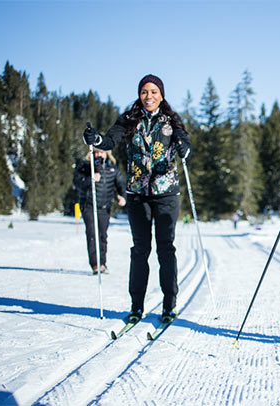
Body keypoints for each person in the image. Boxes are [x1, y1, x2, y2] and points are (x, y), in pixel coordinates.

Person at [82, 74, 192, 323]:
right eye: (144, 91)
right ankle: (136, 306)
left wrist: (185, 149)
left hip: (166, 194)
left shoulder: (170, 120)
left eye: (153, 91)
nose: (149, 96)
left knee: (166, 249)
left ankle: (169, 305)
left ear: (161, 94)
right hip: (137, 194)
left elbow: (184, 141)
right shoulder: (130, 118)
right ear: (139, 94)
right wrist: (96, 140)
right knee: (140, 250)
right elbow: (109, 140)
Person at [73, 148, 127, 274]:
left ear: (107, 154)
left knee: (102, 235)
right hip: (88, 205)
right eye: (96, 152)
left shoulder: (112, 168)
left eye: (101, 152)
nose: (98, 155)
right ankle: (95, 264)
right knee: (92, 234)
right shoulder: (85, 167)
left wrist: (122, 195)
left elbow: (121, 183)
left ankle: (102, 263)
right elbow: (77, 182)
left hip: (104, 206)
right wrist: (90, 179)